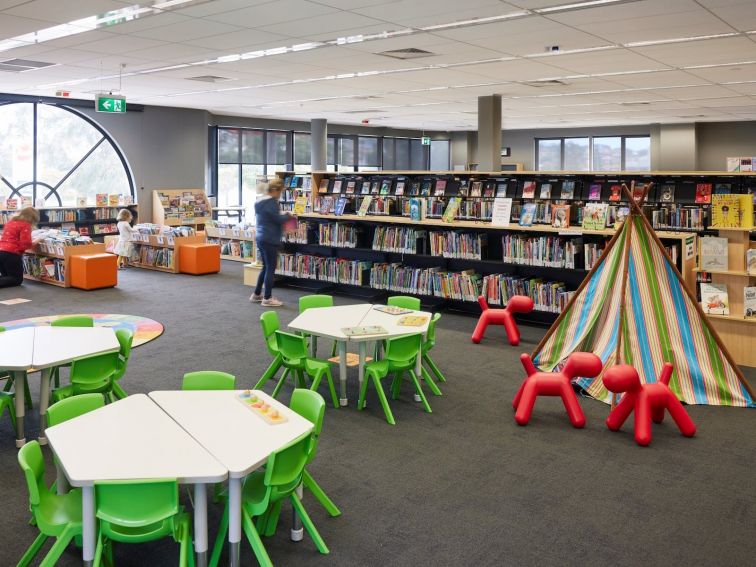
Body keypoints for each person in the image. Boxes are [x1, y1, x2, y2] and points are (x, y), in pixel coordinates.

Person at [249, 178, 292, 307]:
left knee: (265, 266)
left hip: (261, 237)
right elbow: (277, 219)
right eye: (279, 192)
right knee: (270, 268)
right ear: (274, 190)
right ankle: (267, 298)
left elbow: (269, 217)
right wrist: (289, 215)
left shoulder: (259, 201)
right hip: (270, 238)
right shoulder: (271, 202)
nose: (280, 195)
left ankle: (257, 294)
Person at [0, 206, 41, 288]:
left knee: (6, 276)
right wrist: (35, 241)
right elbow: (25, 244)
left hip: (1, 250)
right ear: (33, 219)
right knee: (16, 279)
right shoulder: (25, 225)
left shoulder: (10, 222)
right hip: (11, 254)